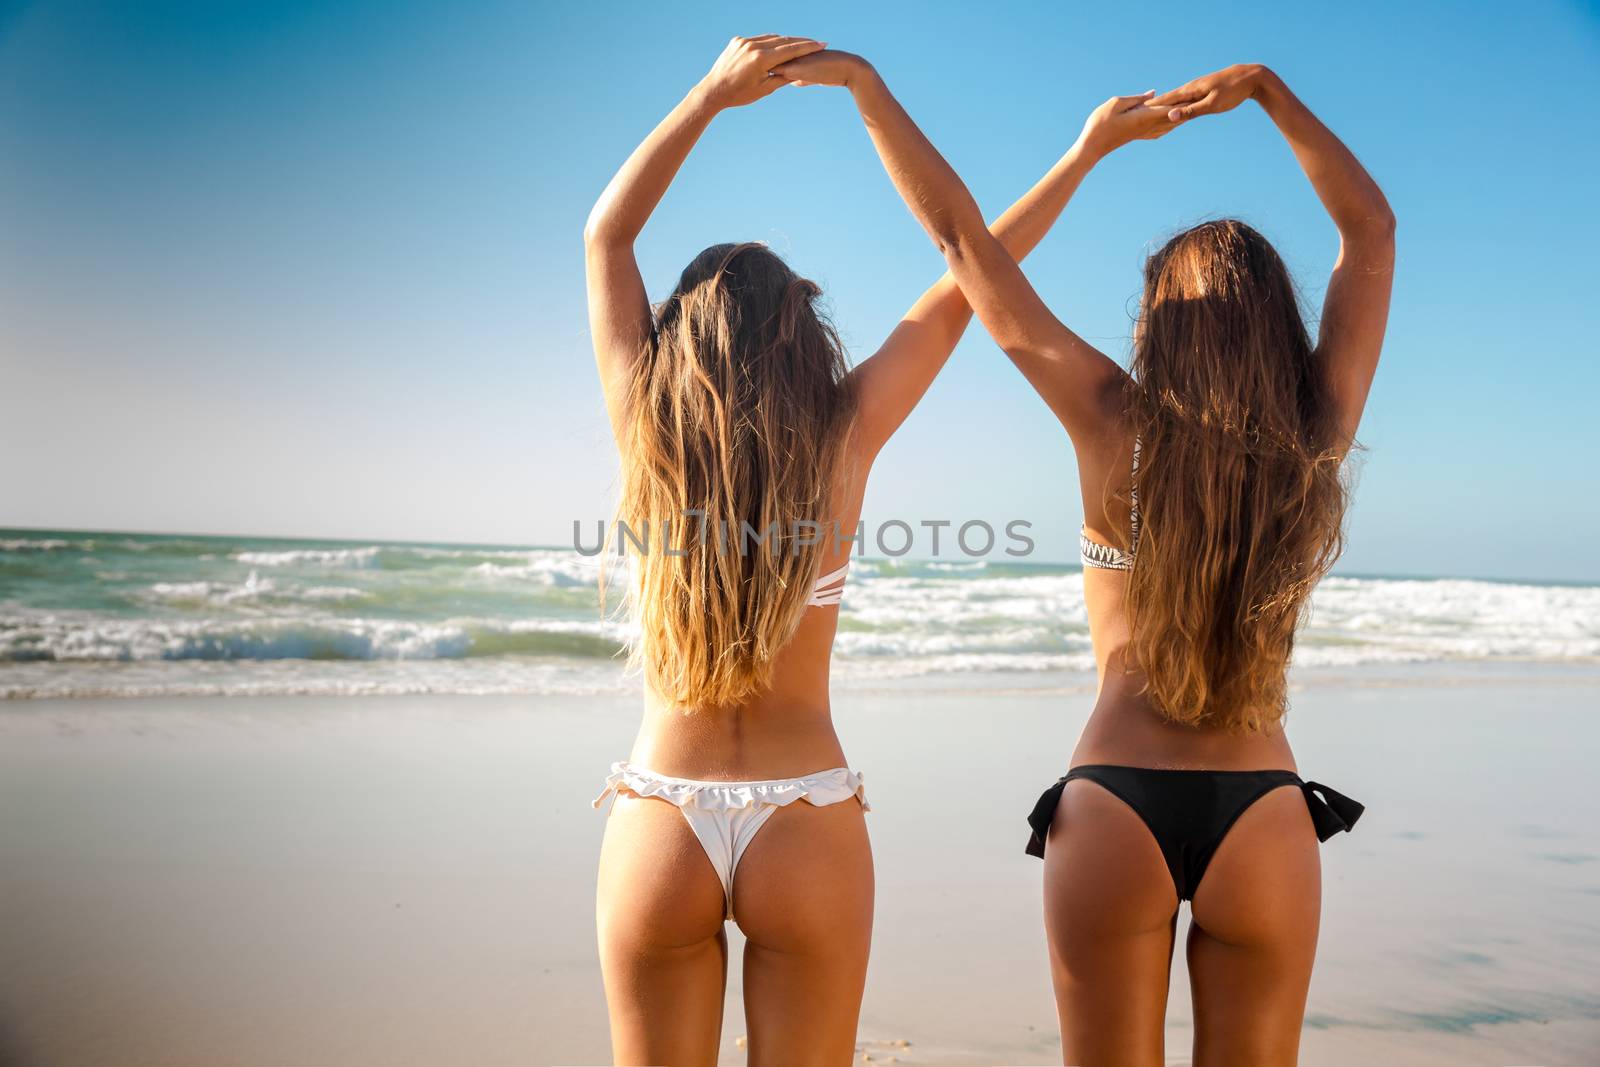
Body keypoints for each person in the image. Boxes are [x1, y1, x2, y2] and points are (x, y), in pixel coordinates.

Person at [776, 52, 1392, 1065]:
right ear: (1278, 326)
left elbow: (959, 243)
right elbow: (1370, 233)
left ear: (1156, 322)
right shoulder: (1313, 435)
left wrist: (872, 91)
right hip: (1266, 811)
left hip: (1113, 803)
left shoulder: (1113, 423)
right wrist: (1274, 97)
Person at [583, 35, 1179, 1066]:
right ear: (800, 336)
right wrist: (1080, 154)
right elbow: (969, 275)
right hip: (805, 817)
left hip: (658, 815)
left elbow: (607, 236)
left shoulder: (648, 426)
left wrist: (708, 97)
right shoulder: (841, 436)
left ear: (675, 340)